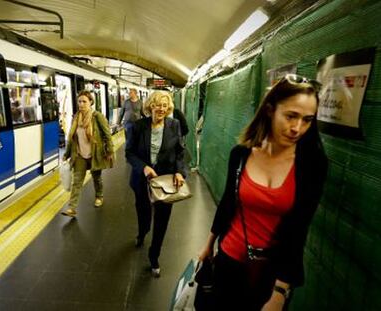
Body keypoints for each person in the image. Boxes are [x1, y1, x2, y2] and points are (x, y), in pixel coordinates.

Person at [198, 74, 328, 310]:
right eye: (291, 116)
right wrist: (209, 244)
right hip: (229, 258)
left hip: (271, 272)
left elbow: (298, 230)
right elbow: (228, 203)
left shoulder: (312, 165)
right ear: (270, 110)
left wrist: (280, 290)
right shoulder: (241, 155)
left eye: (307, 120)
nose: (297, 128)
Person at [125, 90, 186, 278]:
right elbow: (129, 153)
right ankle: (143, 232)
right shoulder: (138, 126)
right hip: (142, 180)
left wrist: (179, 171)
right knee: (143, 212)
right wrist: (143, 167)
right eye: (157, 104)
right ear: (150, 105)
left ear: (169, 108)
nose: (161, 109)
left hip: (166, 181)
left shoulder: (174, 125)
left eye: (165, 105)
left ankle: (154, 255)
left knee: (162, 218)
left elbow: (180, 152)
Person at [61, 90, 114, 217]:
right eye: (79, 101)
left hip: (95, 154)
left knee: (97, 178)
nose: (81, 104)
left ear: (91, 102)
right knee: (77, 181)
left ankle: (99, 196)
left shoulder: (97, 117)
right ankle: (72, 208)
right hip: (79, 154)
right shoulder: (76, 117)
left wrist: (110, 151)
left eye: (84, 101)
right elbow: (71, 138)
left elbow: (107, 135)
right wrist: (66, 154)